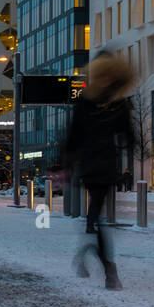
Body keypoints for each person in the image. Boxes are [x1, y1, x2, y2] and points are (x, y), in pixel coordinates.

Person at [61, 53, 136, 289]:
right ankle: (108, 268)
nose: (106, 79)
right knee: (100, 214)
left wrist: (136, 151)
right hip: (90, 164)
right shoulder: (85, 102)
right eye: (102, 74)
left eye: (109, 74)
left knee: (100, 215)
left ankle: (91, 248)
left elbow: (128, 133)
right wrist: (66, 166)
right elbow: (73, 136)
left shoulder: (119, 103)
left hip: (107, 164)